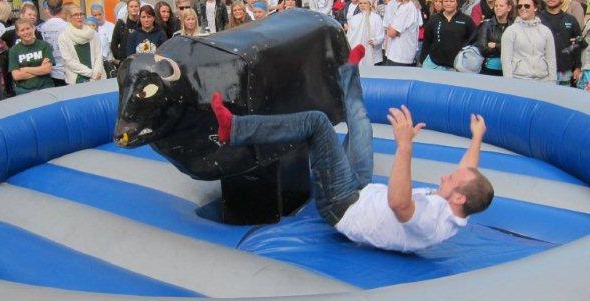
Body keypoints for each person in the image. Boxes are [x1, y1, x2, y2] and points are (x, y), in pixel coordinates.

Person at [208, 49, 493, 253]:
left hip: (343, 205)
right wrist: (477, 137)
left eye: (451, 179)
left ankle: (233, 129)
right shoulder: (459, 203)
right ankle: (348, 71)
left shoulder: (431, 222)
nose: (445, 176)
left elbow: (399, 203)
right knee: (362, 125)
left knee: (317, 123)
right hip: (362, 189)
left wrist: (405, 146)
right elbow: (468, 171)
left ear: (459, 197)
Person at [500, 0, 556, 83]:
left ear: (535, 8)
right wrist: (509, 83)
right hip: (518, 80)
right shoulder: (510, 31)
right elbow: (506, 60)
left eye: (527, 6)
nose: (523, 8)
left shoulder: (545, 31)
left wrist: (552, 81)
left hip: (543, 80)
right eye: (519, 6)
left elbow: (551, 58)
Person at [421, 0, 477, 71]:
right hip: (434, 64)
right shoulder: (434, 19)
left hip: (457, 67)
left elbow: (473, 40)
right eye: (446, 1)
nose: (448, 4)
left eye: (451, 1)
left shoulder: (466, 20)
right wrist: (422, 60)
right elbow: (427, 40)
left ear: (457, 2)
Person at [538, 0, 582, 86]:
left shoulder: (570, 20)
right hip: (543, 70)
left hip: (564, 70)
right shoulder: (538, 19)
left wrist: (577, 67)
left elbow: (577, 44)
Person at [58, 3, 106, 85]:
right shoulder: (63, 37)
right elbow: (69, 61)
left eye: (81, 14)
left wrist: (96, 72)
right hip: (76, 79)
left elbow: (98, 55)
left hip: (97, 77)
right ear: (69, 18)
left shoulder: (92, 33)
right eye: (76, 15)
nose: (79, 17)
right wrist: (90, 73)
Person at [8, 18, 55, 95]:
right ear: (17, 33)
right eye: (22, 30)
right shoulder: (13, 50)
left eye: (28, 28)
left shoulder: (44, 45)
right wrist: (40, 70)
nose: (26, 32)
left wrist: (26, 69)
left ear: (33, 28)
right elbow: (16, 76)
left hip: (45, 87)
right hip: (24, 91)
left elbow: (47, 69)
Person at [384, 0, 422, 67]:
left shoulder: (406, 7)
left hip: (401, 55)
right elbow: (389, 30)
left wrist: (392, 30)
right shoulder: (403, 4)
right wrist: (394, 31)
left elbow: (391, 33)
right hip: (396, 53)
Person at [473, 0, 514, 76]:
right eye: (496, 6)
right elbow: (483, 48)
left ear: (509, 8)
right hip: (490, 69)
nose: (498, 8)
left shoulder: (513, 26)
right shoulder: (486, 24)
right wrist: (505, 47)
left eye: (501, 6)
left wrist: (496, 45)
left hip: (510, 68)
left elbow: (516, 48)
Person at [37, 0, 68, 86]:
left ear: (48, 10)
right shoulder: (68, 26)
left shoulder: (41, 28)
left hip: (51, 72)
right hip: (67, 70)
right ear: (62, 8)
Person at [345, 0, 383, 66]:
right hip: (358, 53)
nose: (362, 5)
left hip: (373, 53)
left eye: (365, 3)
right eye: (360, 3)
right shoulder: (354, 18)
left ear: (370, 4)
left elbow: (381, 35)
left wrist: (375, 41)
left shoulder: (376, 18)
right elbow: (349, 35)